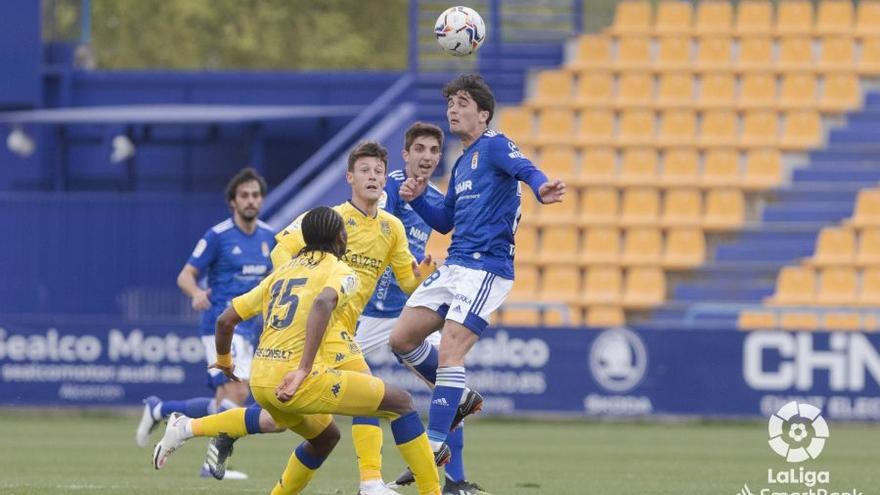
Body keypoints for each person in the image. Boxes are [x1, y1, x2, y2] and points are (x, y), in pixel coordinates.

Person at [154, 141, 449, 495]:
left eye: (379, 172)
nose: (373, 177)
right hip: (319, 331)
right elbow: (283, 248)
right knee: (388, 399)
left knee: (296, 426)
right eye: (366, 170)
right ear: (350, 177)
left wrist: (425, 275)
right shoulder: (329, 220)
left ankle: (188, 427)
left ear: (385, 179)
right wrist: (300, 280)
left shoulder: (391, 227)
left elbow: (406, 281)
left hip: (333, 332)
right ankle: (372, 482)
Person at [388, 74, 566, 482]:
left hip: (487, 267)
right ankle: (460, 397)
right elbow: (447, 220)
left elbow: (526, 169)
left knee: (451, 352)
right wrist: (416, 203)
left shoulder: (495, 144)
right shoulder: (461, 160)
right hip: (455, 265)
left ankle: (434, 443)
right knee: (401, 339)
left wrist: (542, 189)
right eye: (450, 102)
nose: (453, 109)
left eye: (463, 102)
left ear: (483, 114)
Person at [359, 122, 488, 495]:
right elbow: (379, 230)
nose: (428, 157)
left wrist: (421, 270)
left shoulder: (434, 197)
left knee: (447, 389)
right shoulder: (392, 187)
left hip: (404, 310)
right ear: (406, 154)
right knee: (329, 395)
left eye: (434, 150)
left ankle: (454, 481)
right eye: (420, 149)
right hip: (369, 312)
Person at [135, 167, 276, 480]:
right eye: (244, 196)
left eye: (255, 195)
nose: (251, 200)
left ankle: (160, 409)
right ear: (232, 202)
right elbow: (185, 276)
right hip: (221, 324)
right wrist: (197, 293)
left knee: (222, 402)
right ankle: (211, 465)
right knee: (238, 395)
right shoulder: (218, 236)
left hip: (250, 327)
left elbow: (272, 281)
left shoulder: (270, 237)